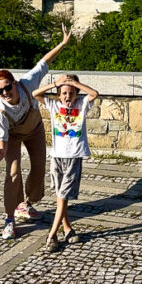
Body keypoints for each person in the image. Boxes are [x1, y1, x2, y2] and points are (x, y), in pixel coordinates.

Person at [0, 26, 72, 240]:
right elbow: (1, 141)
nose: (5, 93)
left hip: (34, 130)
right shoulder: (1, 112)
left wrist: (62, 44)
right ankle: (9, 219)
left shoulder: (27, 83)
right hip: (13, 136)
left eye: (7, 87)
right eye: (0, 91)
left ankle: (27, 203)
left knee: (38, 167)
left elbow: (44, 63)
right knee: (13, 173)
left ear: (14, 84)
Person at [31, 74, 98, 252]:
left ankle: (51, 235)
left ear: (76, 93)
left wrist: (75, 83)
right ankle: (67, 228)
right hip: (57, 156)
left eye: (71, 93)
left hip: (74, 156)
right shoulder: (54, 106)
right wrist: (55, 84)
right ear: (59, 95)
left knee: (63, 196)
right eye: (63, 93)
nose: (67, 96)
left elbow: (94, 94)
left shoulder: (82, 105)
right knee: (60, 196)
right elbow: (35, 94)